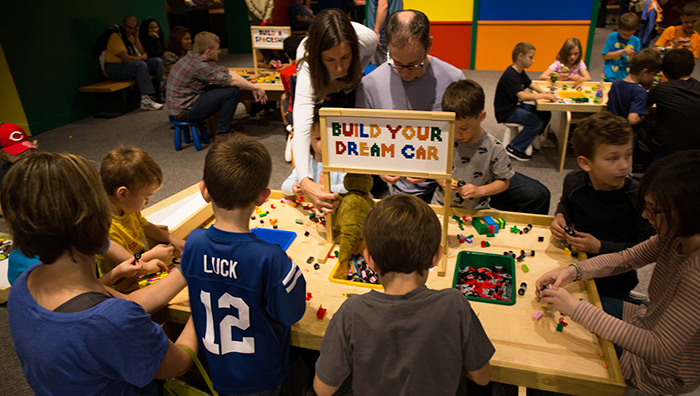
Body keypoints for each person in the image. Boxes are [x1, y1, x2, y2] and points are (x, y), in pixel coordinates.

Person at [5, 152, 197, 395]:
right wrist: (206, 307)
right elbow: (176, 364)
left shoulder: (25, 282)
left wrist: (188, 269)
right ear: (99, 224)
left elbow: (129, 303)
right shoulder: (107, 319)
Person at [537, 150, 700, 396]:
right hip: (645, 318)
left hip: (657, 373)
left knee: (552, 375)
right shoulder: (673, 235)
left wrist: (576, 309)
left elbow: (658, 347)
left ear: (687, 213)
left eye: (654, 210)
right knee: (570, 313)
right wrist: (574, 271)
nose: (645, 215)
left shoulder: (695, 276)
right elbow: (627, 257)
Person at [357, 10, 551, 215]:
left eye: (414, 64)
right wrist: (379, 169)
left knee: (537, 196)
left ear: (429, 45)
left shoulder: (452, 76)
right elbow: (363, 142)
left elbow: (469, 131)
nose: (405, 72)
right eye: (397, 63)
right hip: (410, 183)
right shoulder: (370, 85)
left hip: (458, 168)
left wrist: (437, 172)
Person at [313, 193, 494, 396]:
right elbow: (482, 377)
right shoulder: (455, 304)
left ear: (369, 260)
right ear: (436, 256)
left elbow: (323, 389)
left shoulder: (352, 312)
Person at [180, 135, 307, 395]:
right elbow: (292, 314)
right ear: (263, 197)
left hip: (218, 369)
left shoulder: (193, 242)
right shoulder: (270, 258)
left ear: (204, 191)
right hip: (263, 374)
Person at [550, 112, 655, 300]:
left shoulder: (639, 197)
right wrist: (560, 216)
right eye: (613, 158)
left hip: (616, 279)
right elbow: (566, 203)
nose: (624, 166)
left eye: (628, 155)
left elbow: (646, 248)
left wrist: (600, 246)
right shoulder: (573, 181)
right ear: (585, 163)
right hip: (574, 265)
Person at [292, 9, 376, 214]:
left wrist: (344, 84)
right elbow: (301, 126)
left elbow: (357, 69)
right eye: (330, 60)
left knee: (359, 137)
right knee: (321, 135)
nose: (339, 67)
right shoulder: (306, 58)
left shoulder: (368, 39)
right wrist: (305, 179)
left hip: (348, 89)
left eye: (345, 57)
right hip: (321, 89)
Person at [96, 148, 186, 293]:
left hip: (140, 269)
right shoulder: (106, 228)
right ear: (123, 193)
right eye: (146, 197)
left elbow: (145, 225)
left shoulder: (127, 208)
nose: (147, 202)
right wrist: (152, 254)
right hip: (122, 286)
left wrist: (172, 238)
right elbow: (129, 262)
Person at [166, 31, 267, 142]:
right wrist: (255, 88)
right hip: (185, 110)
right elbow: (231, 80)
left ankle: (220, 128)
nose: (219, 51)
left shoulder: (195, 57)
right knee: (232, 93)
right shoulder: (200, 65)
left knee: (224, 87)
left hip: (183, 104)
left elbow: (226, 72)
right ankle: (222, 134)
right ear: (208, 51)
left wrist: (252, 86)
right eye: (217, 49)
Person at [432, 80, 513, 210]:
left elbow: (504, 181)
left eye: (464, 128)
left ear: (481, 116)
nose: (457, 134)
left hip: (476, 210)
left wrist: (480, 191)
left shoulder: (494, 147)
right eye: (452, 126)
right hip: (441, 205)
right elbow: (434, 165)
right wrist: (441, 180)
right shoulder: (444, 139)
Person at [494, 42, 555, 162]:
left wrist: (544, 92)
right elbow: (522, 96)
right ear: (520, 56)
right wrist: (542, 95)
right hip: (507, 111)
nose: (532, 61)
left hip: (516, 107)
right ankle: (513, 148)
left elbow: (530, 83)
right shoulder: (510, 75)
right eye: (530, 57)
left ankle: (531, 137)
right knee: (535, 121)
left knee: (545, 113)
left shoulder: (520, 72)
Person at [646, 48, 700, 158]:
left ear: (665, 73)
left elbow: (644, 107)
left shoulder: (660, 89)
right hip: (696, 147)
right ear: (692, 69)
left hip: (665, 148)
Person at [101, 15, 163, 110]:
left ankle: (162, 92)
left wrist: (137, 37)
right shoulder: (115, 36)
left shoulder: (131, 37)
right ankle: (145, 100)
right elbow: (127, 59)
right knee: (140, 64)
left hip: (128, 66)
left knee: (156, 61)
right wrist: (141, 58)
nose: (128, 30)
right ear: (123, 25)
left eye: (132, 28)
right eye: (127, 27)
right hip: (114, 68)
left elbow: (142, 53)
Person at [282, 112, 347, 196]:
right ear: (309, 141)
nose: (325, 142)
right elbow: (285, 186)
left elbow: (347, 187)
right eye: (319, 138)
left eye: (330, 137)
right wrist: (294, 186)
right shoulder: (306, 162)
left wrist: (320, 188)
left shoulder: (341, 162)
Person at [607, 48, 662, 129]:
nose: (652, 78)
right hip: (627, 134)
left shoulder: (615, 84)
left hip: (611, 129)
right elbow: (632, 119)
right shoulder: (640, 92)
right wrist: (643, 117)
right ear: (645, 72)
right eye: (653, 75)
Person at [602, 13, 641, 82]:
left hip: (626, 76)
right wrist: (621, 52)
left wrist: (632, 56)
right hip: (611, 76)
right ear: (618, 28)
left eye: (631, 34)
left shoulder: (636, 41)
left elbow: (635, 63)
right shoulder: (612, 37)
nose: (627, 37)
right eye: (624, 34)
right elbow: (605, 56)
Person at [366, 0, 403, 66]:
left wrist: (376, 31)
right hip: (394, 31)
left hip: (382, 35)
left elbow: (383, 6)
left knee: (381, 68)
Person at [161, 26, 192, 98]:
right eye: (186, 39)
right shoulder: (168, 55)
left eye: (190, 39)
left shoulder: (189, 54)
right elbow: (180, 73)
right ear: (177, 40)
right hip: (171, 89)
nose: (190, 41)